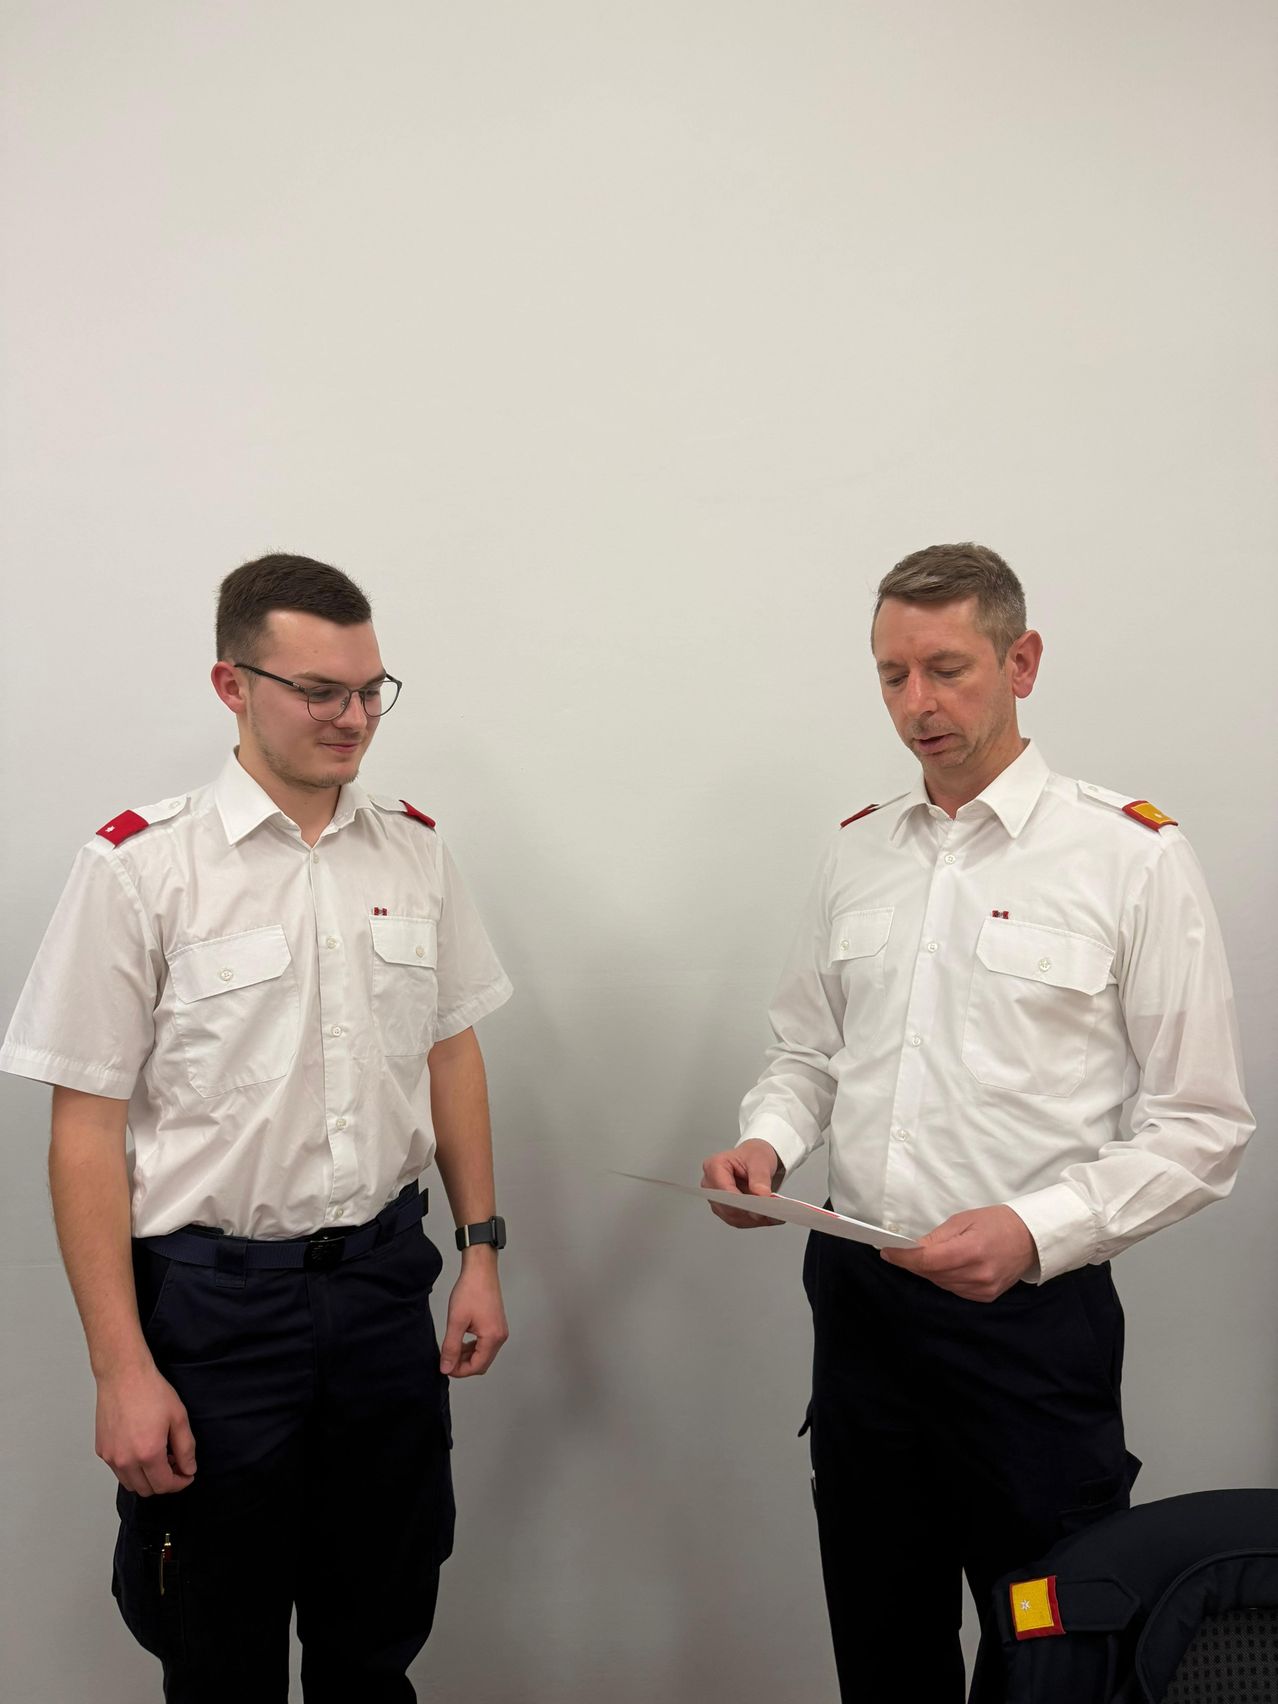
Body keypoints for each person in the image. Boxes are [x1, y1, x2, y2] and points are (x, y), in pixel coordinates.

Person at [700, 543, 1253, 1703]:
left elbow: (1202, 1126)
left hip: (1030, 1332)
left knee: (1051, 1659)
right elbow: (807, 1054)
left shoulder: (1129, 855)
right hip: (861, 1311)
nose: (918, 705)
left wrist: (1034, 1230)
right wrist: (768, 1144)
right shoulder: (858, 851)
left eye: (947, 670)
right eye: (893, 675)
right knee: (883, 1644)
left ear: (1023, 661)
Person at [1, 554, 513, 1703]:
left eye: (372, 689)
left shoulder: (415, 851)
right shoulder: (141, 868)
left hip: (385, 1294)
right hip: (215, 1314)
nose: (354, 718)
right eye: (320, 691)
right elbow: (83, 1131)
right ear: (232, 686)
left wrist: (482, 1249)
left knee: (375, 1633)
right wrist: (119, 1367)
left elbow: (451, 1050)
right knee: (216, 1648)